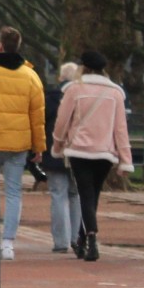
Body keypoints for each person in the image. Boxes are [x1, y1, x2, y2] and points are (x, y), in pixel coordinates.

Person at [50, 50, 133, 262]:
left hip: (80, 150)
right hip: (105, 152)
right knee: (92, 195)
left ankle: (91, 238)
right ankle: (82, 239)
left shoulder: (74, 89)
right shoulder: (115, 93)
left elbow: (61, 123)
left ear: (83, 67)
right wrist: (125, 160)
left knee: (85, 194)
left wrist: (57, 145)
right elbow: (121, 129)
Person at [0, 26, 46, 261]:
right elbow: (37, 115)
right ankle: (8, 243)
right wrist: (39, 147)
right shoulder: (30, 76)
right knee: (14, 193)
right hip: (18, 144)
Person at [41, 62, 83, 254]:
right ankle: (76, 237)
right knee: (76, 195)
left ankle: (61, 241)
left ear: (60, 78)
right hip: (78, 152)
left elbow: (42, 123)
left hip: (55, 151)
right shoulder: (83, 97)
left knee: (58, 195)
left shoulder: (51, 98)